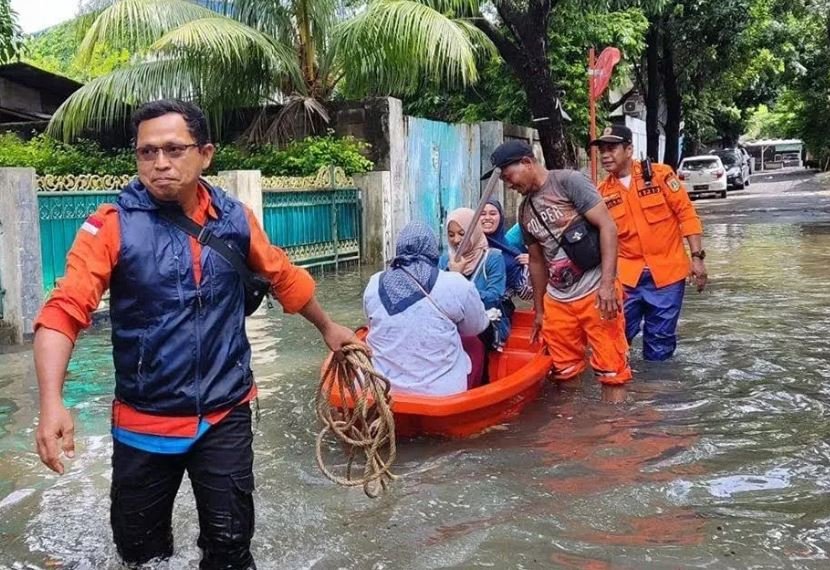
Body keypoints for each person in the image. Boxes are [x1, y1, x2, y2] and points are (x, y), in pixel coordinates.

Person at [32, 99, 358, 569]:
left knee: (229, 550)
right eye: (146, 152)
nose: (159, 163)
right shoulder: (110, 226)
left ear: (205, 154)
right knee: (140, 556)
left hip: (224, 414)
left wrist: (328, 327)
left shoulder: (235, 219)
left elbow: (283, 275)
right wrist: (50, 402)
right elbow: (63, 311)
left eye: (173, 149)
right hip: (145, 423)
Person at [486, 140, 632, 393]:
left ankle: (615, 428)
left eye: (509, 177)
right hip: (558, 299)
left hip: (595, 290)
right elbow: (536, 260)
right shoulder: (524, 211)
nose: (510, 185)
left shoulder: (569, 183)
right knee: (563, 373)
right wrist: (540, 311)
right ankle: (570, 428)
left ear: (527, 163)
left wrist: (608, 284)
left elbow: (608, 226)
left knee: (612, 371)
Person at [591, 124, 708, 361]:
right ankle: (620, 392)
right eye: (602, 149)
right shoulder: (600, 193)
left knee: (660, 344)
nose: (605, 154)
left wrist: (697, 258)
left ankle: (658, 391)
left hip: (667, 275)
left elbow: (687, 215)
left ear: (629, 149)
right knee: (616, 338)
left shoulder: (661, 176)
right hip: (625, 279)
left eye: (611, 148)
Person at [364, 222, 489, 395]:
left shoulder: (373, 282)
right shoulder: (456, 283)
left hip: (379, 389)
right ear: (432, 250)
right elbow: (476, 327)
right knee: (475, 344)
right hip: (440, 393)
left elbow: (371, 324)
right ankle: (473, 400)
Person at [440, 207, 511, 349]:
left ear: (474, 232)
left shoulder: (492, 258)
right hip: (453, 320)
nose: (456, 240)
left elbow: (494, 298)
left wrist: (457, 279)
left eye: (462, 234)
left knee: (471, 338)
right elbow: (438, 296)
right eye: (451, 235)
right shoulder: (445, 260)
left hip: (485, 322)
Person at [479, 199, 533, 300]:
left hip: (499, 310)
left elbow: (525, 294)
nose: (487, 218)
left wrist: (533, 265)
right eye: (482, 214)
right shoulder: (466, 249)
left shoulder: (510, 252)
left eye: (493, 213)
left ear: (501, 217)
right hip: (468, 308)